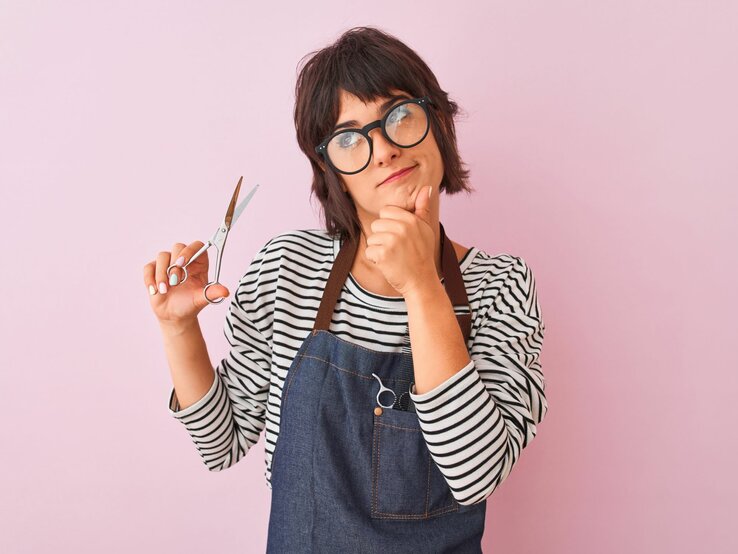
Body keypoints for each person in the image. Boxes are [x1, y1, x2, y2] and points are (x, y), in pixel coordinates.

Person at [144, 26, 548, 553]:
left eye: (400, 114)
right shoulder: (287, 268)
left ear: (440, 123)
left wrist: (423, 284)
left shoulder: (502, 286)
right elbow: (223, 442)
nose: (382, 150)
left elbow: (476, 473)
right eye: (350, 137)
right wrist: (178, 328)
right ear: (329, 167)